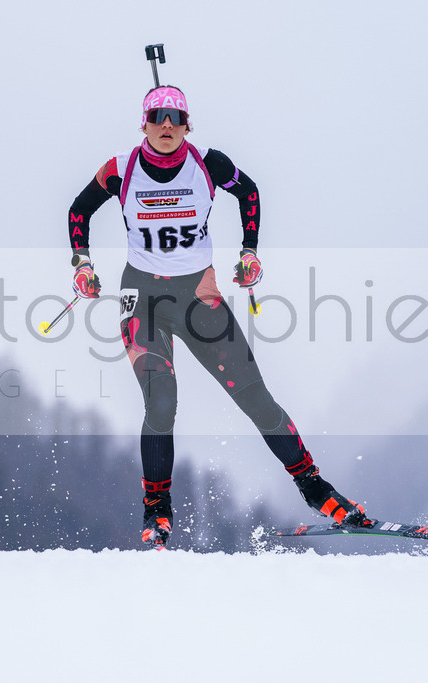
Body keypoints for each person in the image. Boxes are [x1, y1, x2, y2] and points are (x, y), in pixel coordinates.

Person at [67, 85, 372, 548]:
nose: (166, 125)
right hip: (141, 299)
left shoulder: (209, 163)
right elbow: (79, 209)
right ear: (143, 124)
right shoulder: (121, 168)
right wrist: (82, 265)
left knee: (257, 399)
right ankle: (156, 510)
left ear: (188, 124)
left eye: (175, 117)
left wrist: (250, 252)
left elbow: (248, 192)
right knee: (161, 403)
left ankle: (316, 489)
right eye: (156, 116)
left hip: (199, 296)